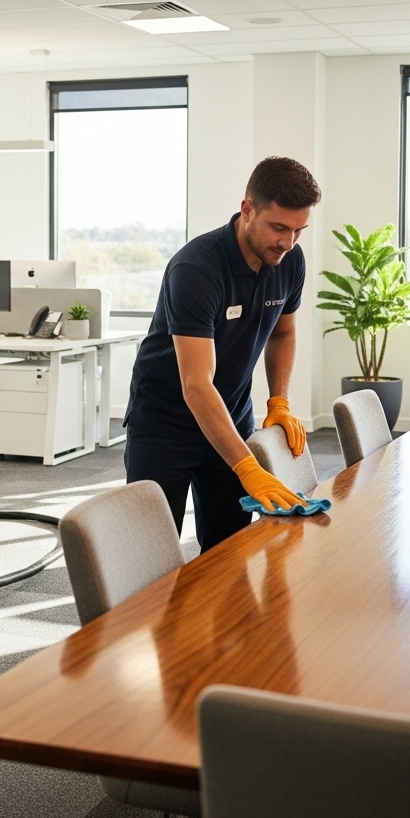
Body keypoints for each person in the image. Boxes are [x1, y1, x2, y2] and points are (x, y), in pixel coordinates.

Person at [124, 156, 320, 553]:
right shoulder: (197, 269)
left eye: (299, 230)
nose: (288, 242)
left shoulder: (290, 260)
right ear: (247, 209)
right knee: (150, 553)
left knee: (229, 551)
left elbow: (282, 332)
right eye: (278, 227)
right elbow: (196, 386)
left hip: (231, 414)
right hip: (165, 425)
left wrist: (278, 400)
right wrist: (248, 466)